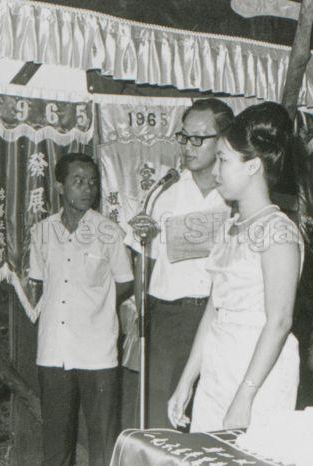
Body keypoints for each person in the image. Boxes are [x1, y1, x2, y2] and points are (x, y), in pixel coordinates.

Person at [168, 102, 302, 432]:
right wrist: (187, 380)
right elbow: (214, 309)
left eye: (224, 161)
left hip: (259, 370)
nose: (215, 172)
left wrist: (246, 396)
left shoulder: (278, 231)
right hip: (219, 359)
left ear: (253, 166)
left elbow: (279, 321)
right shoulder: (231, 226)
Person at [127, 99, 234, 428]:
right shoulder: (165, 192)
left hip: (222, 316)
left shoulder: (235, 194)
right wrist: (142, 312)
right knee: (162, 417)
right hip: (169, 319)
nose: (188, 146)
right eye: (184, 137)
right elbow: (144, 262)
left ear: (224, 140)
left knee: (213, 414)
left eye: (198, 138)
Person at [29, 153, 133, 466]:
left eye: (92, 182)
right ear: (60, 186)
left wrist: (94, 307)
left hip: (97, 351)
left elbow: (125, 283)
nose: (87, 189)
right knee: (56, 443)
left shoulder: (109, 232)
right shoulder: (42, 232)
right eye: (78, 181)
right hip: (54, 350)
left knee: (103, 442)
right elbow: (40, 282)